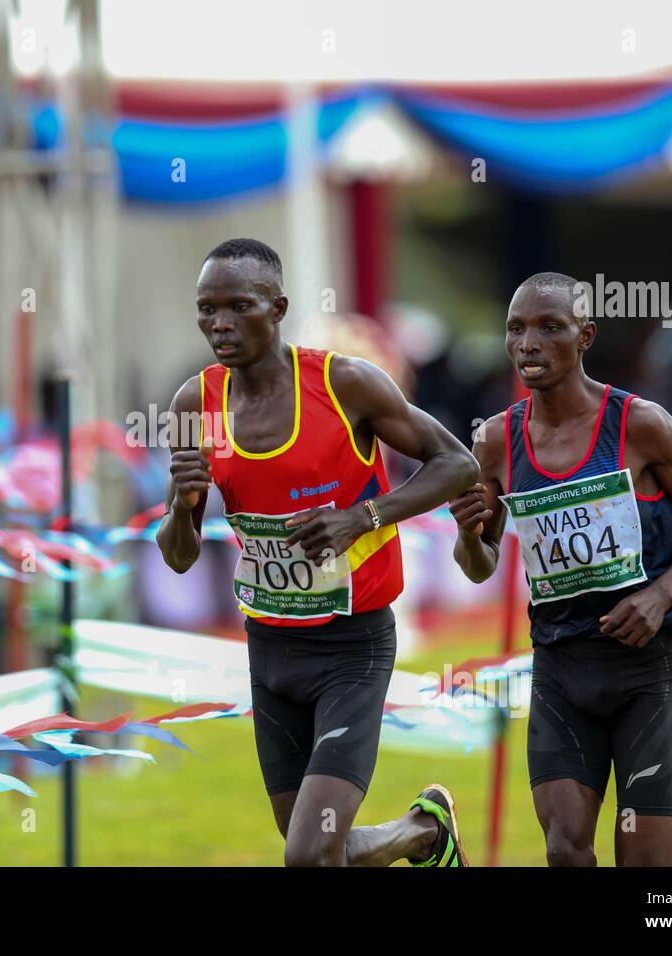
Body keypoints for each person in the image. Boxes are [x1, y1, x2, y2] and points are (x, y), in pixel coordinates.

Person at [156, 238, 479, 867]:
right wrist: (180, 506)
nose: (219, 325)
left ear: (277, 308)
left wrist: (363, 517)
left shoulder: (344, 385)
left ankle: (423, 833)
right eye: (206, 310)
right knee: (315, 850)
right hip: (271, 648)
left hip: (351, 649)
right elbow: (178, 556)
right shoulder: (197, 404)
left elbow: (458, 464)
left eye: (237, 307)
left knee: (307, 854)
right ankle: (425, 833)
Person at [450, 272, 672, 867]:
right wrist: (468, 531)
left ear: (584, 336)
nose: (528, 344)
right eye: (516, 329)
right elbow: (479, 566)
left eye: (548, 328)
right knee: (565, 851)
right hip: (561, 665)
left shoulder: (639, 424)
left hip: (643, 667)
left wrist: (662, 594)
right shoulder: (494, 443)